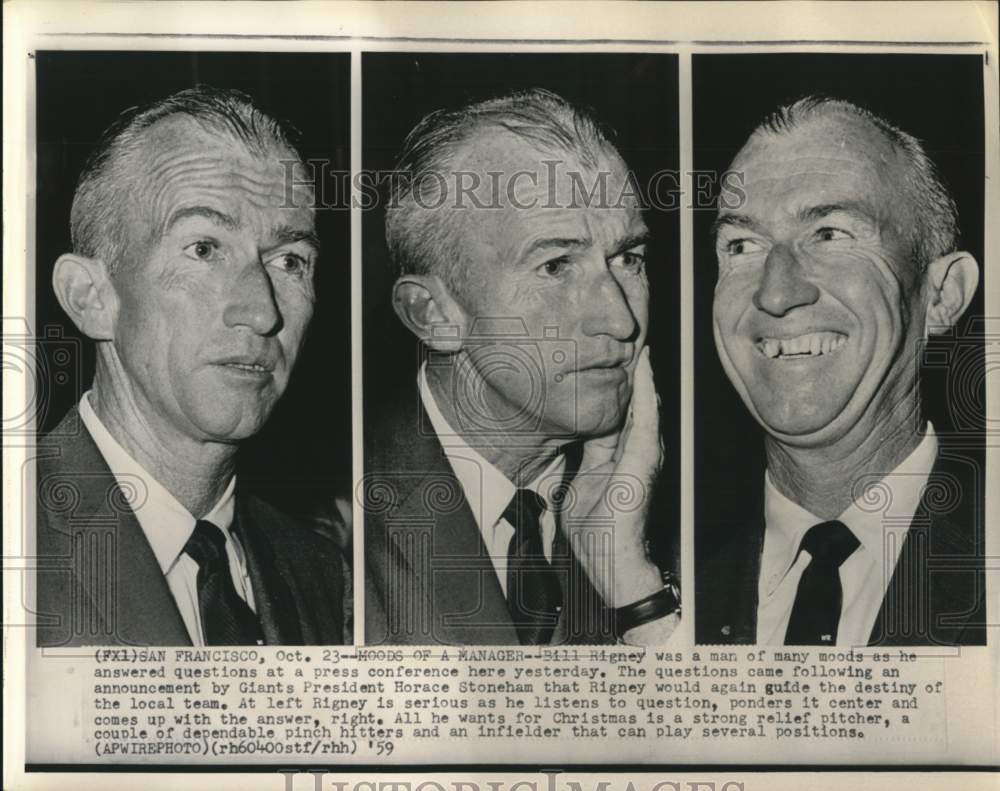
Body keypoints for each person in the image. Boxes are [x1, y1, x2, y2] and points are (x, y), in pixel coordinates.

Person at [36, 86, 350, 647]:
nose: (262, 312)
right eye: (204, 249)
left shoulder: (321, 574)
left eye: (289, 261)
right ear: (90, 297)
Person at [364, 88, 679, 646]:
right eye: (556, 265)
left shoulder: (686, 531)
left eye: (628, 259)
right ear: (432, 313)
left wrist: (636, 591)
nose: (620, 319)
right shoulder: (336, 534)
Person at [698, 96, 985, 646]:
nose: (776, 293)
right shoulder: (659, 579)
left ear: (942, 295)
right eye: (742, 245)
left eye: (829, 234)